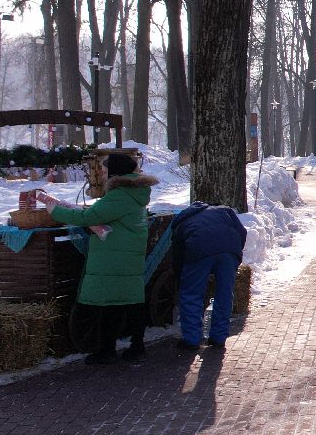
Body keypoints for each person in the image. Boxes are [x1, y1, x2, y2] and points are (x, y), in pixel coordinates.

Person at [39, 153, 157, 364]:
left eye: (103, 171)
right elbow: (102, 213)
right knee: (127, 302)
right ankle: (134, 346)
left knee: (109, 303)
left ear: (114, 173)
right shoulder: (133, 193)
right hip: (125, 256)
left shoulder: (119, 195)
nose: (101, 175)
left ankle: (107, 350)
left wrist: (55, 211)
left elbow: (89, 217)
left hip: (114, 258)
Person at [168, 201, 247, 350]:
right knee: (225, 294)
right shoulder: (224, 211)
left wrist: (181, 276)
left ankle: (191, 340)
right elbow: (242, 232)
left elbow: (178, 255)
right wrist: (235, 252)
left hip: (199, 250)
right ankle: (219, 338)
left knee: (192, 294)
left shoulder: (181, 223)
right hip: (229, 250)